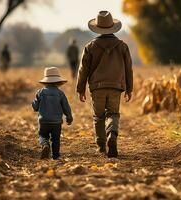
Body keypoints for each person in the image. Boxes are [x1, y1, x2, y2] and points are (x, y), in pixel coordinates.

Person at [76, 11, 133, 158]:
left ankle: (101, 146)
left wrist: (80, 89)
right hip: (116, 86)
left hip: (97, 88)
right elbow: (128, 68)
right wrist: (129, 88)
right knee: (113, 113)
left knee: (98, 117)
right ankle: (112, 135)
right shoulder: (122, 46)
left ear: (97, 28)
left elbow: (83, 70)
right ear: (112, 27)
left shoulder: (90, 46)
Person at [32, 67, 73, 159]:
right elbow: (66, 107)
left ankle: (45, 145)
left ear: (45, 81)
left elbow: (35, 107)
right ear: (58, 82)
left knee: (43, 135)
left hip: (43, 121)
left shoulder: (40, 92)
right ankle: (56, 156)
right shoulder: (60, 93)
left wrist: (34, 103)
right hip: (56, 122)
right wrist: (69, 118)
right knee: (56, 139)